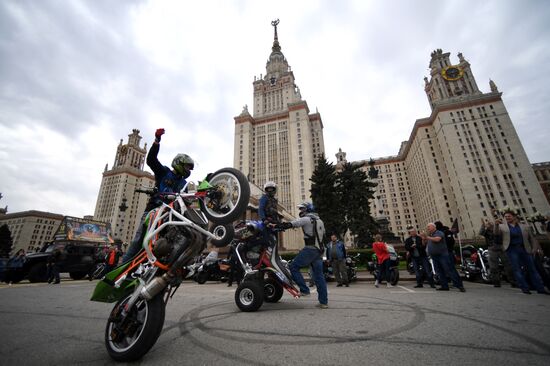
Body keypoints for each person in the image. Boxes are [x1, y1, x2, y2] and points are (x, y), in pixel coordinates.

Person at [122, 128, 194, 263]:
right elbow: (151, 160)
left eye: (190, 168)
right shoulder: (164, 172)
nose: (188, 170)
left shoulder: (184, 183)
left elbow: (186, 201)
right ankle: (119, 270)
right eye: (186, 167)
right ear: (179, 163)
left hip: (169, 218)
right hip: (153, 211)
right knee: (139, 241)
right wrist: (157, 140)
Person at [275, 202, 328, 309]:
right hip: (319, 250)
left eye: (302, 209)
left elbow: (292, 224)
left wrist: (276, 226)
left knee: (293, 267)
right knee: (319, 276)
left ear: (308, 210)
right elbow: (323, 237)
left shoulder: (306, 219)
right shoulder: (320, 221)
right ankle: (324, 302)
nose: (300, 211)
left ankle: (304, 290)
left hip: (310, 249)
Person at [494, 210, 549, 295]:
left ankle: (540, 288)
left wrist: (534, 249)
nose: (507, 217)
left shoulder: (525, 227)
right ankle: (524, 287)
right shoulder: (502, 227)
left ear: (514, 217)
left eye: (509, 216)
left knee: (532, 269)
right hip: (512, 250)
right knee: (517, 269)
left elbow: (532, 238)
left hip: (525, 249)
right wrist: (496, 225)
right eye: (506, 216)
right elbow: (496, 233)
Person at [421, 223, 465, 292]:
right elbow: (424, 244)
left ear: (434, 227)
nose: (428, 228)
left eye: (429, 227)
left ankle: (459, 286)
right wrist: (423, 239)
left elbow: (437, 239)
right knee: (439, 271)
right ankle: (444, 286)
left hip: (442, 255)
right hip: (434, 256)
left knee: (449, 270)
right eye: (427, 227)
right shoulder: (430, 235)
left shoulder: (439, 232)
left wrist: (427, 237)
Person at [479, 218, 516, 288]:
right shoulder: (486, 232)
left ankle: (513, 281)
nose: (489, 224)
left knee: (508, 265)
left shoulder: (499, 229)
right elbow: (481, 233)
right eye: (488, 224)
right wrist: (483, 225)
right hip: (492, 249)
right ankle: (496, 282)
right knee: (493, 267)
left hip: (502, 248)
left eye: (490, 223)